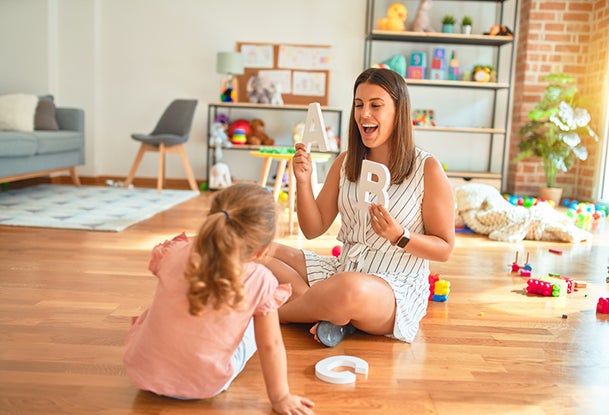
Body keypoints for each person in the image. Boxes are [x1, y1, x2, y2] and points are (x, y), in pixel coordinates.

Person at [262, 67, 455, 347]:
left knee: (349, 288)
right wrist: (303, 181)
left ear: (398, 112)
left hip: (393, 287)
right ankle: (331, 315)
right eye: (359, 105)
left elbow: (445, 248)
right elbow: (313, 228)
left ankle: (275, 314)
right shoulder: (345, 162)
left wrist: (399, 236)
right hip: (342, 269)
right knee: (261, 250)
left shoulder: (427, 169)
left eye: (376, 105)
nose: (365, 114)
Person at [123, 183, 315, 415]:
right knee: (256, 326)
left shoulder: (175, 251)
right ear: (261, 251)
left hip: (144, 372)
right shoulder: (260, 278)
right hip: (204, 385)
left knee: (158, 308)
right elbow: (270, 345)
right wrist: (281, 397)